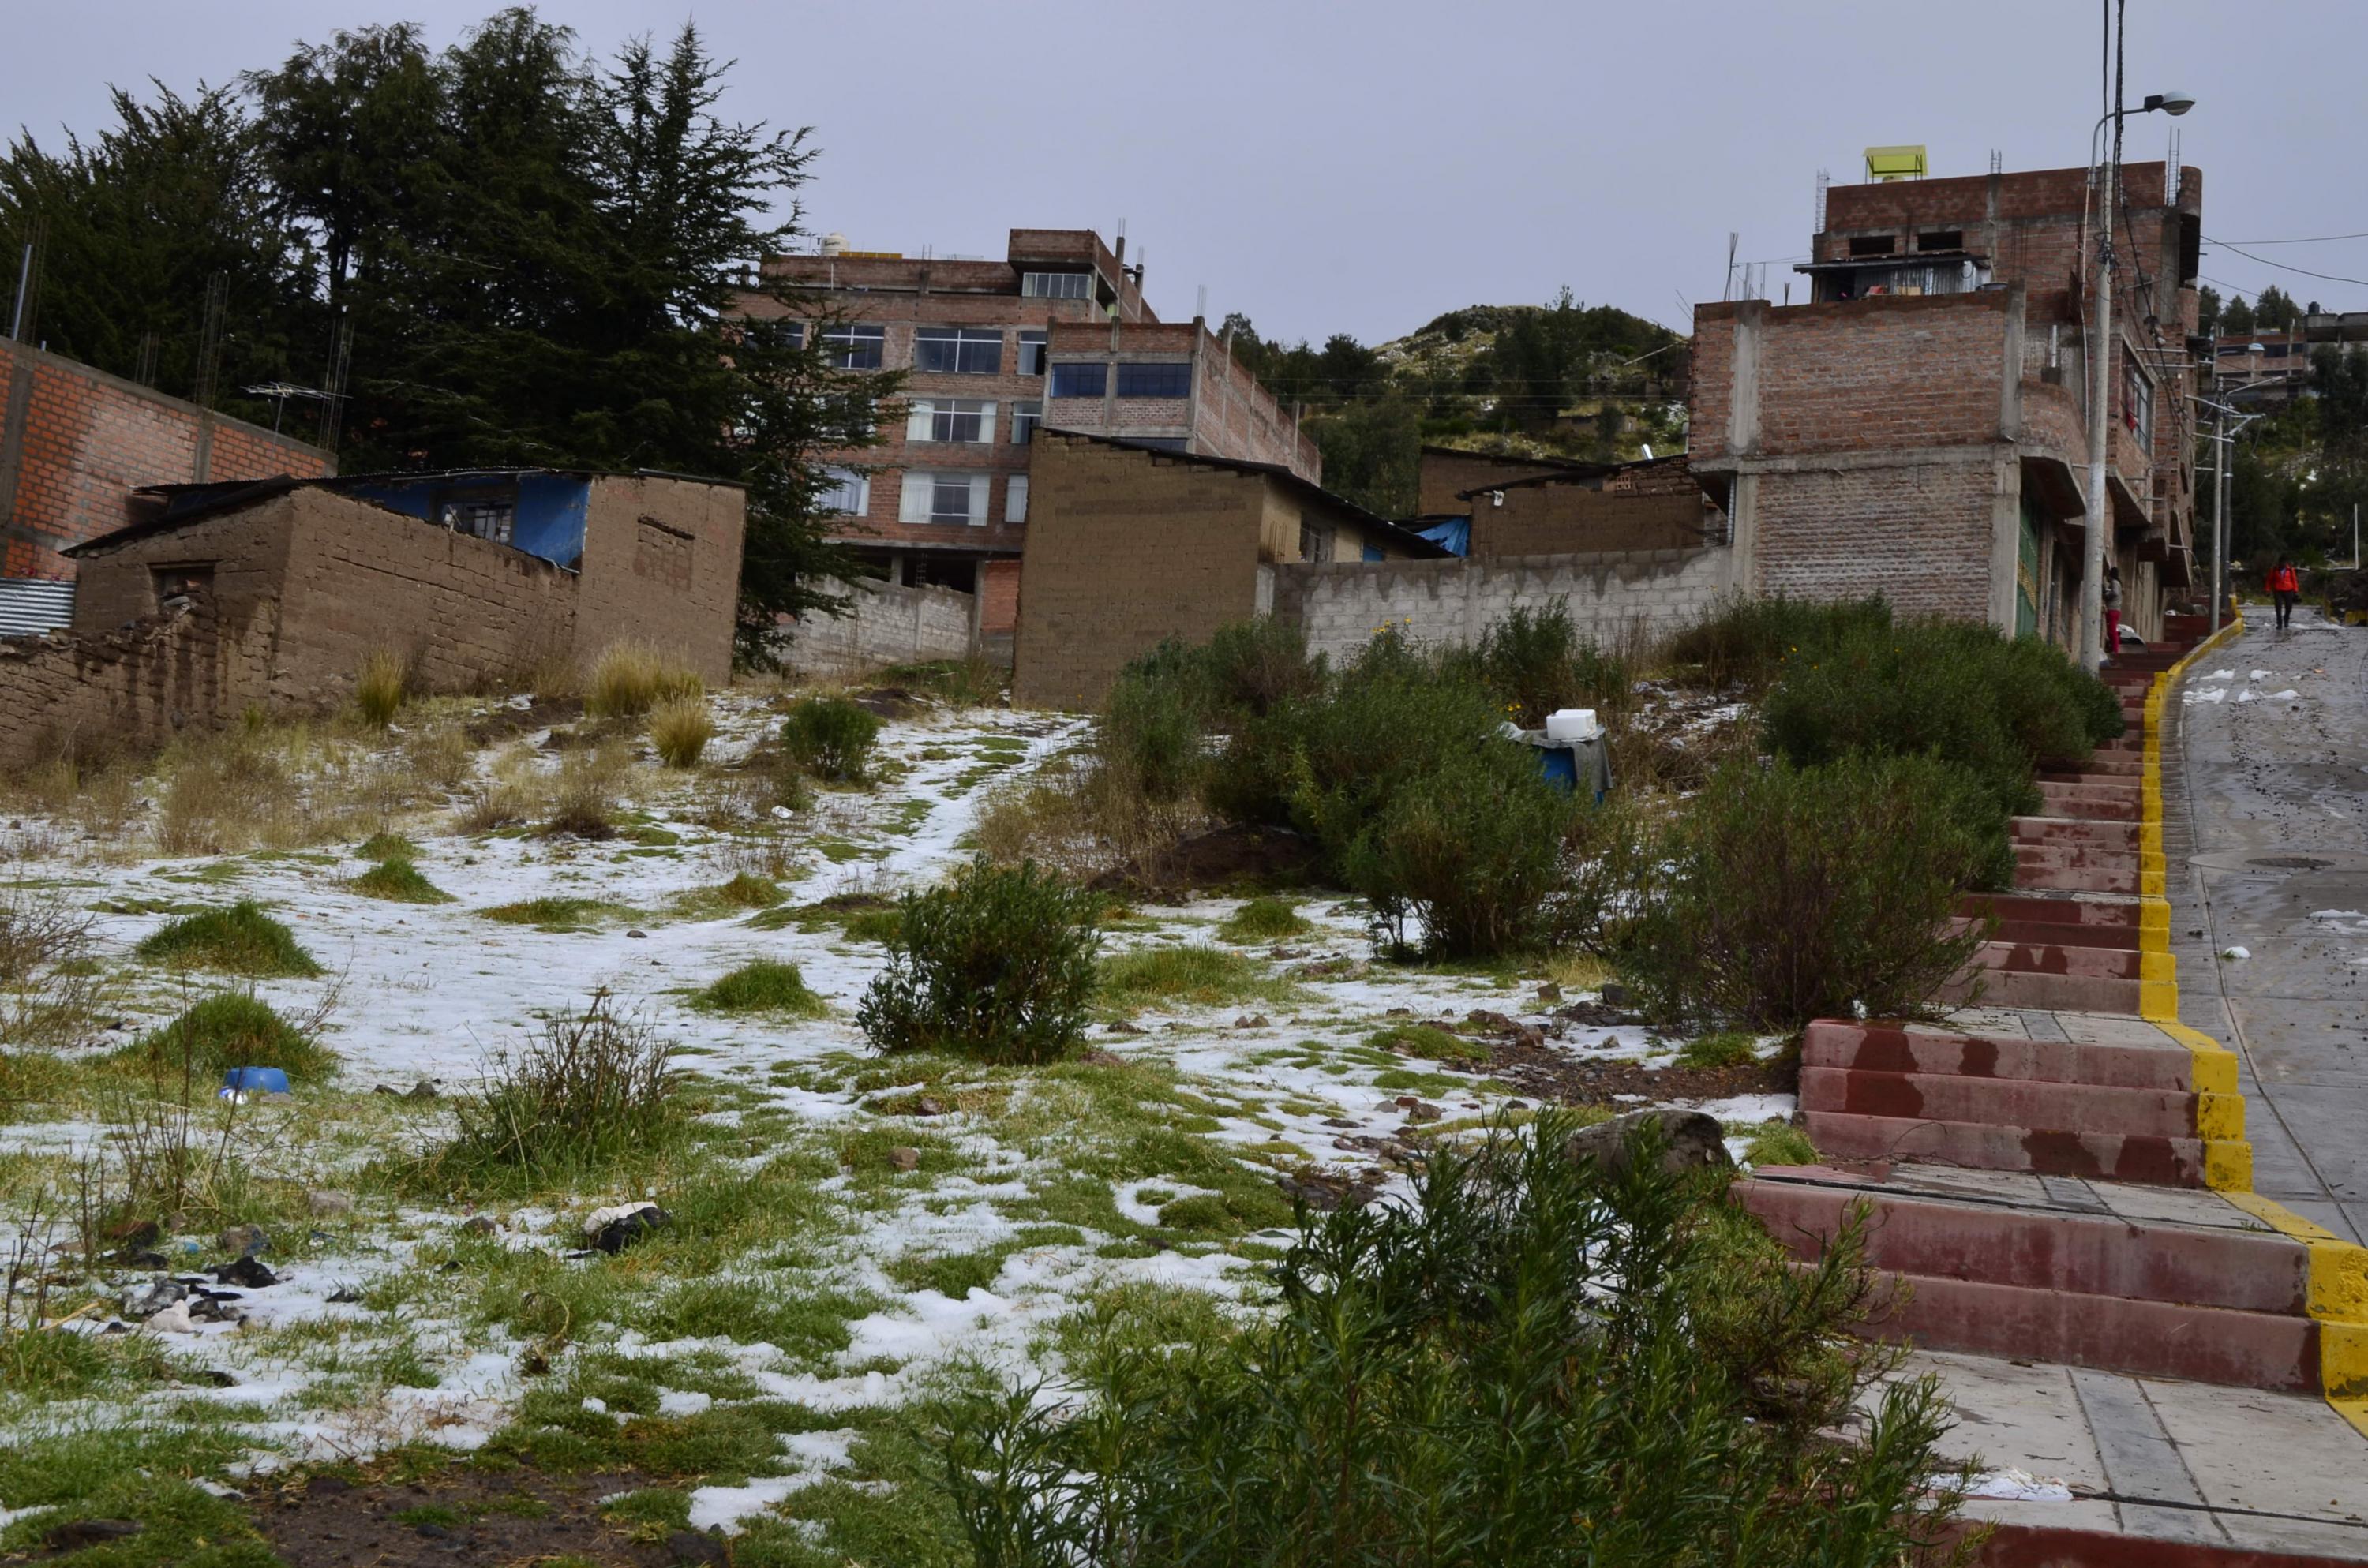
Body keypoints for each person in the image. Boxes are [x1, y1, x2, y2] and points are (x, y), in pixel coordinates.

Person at [2269, 557, 2302, 629]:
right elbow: (2270, 580)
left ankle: (2286, 619)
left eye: (2285, 563)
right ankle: (2279, 623)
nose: (2284, 564)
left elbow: (2294, 580)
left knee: (2289, 606)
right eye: (2282, 563)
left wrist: (2296, 590)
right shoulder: (2274, 570)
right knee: (2278, 607)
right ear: (2279, 563)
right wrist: (2267, 589)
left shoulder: (2290, 570)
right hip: (2278, 590)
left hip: (2289, 590)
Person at [2103, 565, 2124, 654]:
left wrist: (2106, 595)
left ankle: (2115, 650)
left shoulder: (2115, 583)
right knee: (2110, 630)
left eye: (2108, 574)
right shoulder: (2117, 583)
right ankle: (2112, 647)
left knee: (2112, 630)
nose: (2107, 577)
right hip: (2115, 610)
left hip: (2113, 609)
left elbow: (2114, 593)